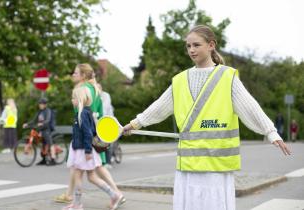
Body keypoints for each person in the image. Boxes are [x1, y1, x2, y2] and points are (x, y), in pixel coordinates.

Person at [123, 25, 291, 210]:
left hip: (216, 167)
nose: (191, 50)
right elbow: (158, 108)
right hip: (188, 166)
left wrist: (271, 132)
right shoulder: (179, 80)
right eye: (188, 46)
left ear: (211, 45)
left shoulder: (227, 77)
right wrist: (133, 124)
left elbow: (250, 107)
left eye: (196, 45)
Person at [54, 64, 125, 207]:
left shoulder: (84, 100)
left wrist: (86, 150)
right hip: (87, 144)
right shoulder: (93, 90)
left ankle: (78, 203)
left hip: (84, 146)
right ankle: (113, 194)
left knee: (84, 173)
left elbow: (86, 130)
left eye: (75, 73)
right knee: (92, 175)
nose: (71, 101)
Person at [23, 98, 56, 165]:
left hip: (47, 129)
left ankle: (53, 159)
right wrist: (27, 124)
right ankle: (44, 159)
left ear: (45, 105)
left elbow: (48, 120)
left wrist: (42, 123)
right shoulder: (39, 112)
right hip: (41, 130)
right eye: (39, 104)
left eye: (41, 104)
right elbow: (34, 120)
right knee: (41, 143)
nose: (40, 105)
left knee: (50, 143)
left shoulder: (48, 111)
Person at [98, 83, 115, 168]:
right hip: (99, 121)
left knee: (106, 141)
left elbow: (104, 108)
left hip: (108, 120)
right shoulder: (95, 96)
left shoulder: (105, 96)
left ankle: (108, 162)